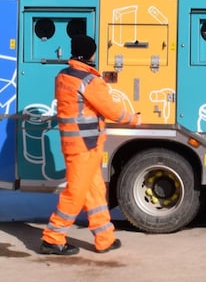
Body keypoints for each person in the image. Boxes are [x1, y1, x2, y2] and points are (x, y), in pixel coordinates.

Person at [41, 34, 141, 255]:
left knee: (95, 191)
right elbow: (112, 110)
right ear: (90, 53)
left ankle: (104, 238)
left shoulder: (63, 75)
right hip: (84, 146)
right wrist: (135, 119)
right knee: (75, 193)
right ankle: (52, 238)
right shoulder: (88, 81)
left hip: (76, 143)